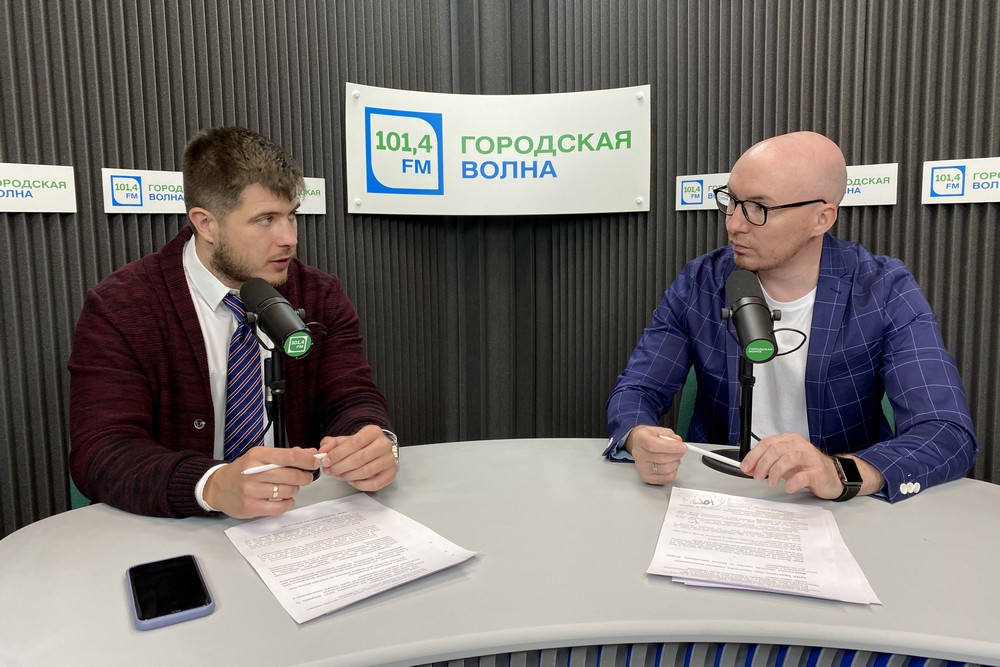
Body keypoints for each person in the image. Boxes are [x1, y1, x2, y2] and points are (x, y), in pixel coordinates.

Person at [604, 131, 977, 502]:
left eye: (758, 208)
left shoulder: (882, 289)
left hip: (834, 508)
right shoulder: (701, 280)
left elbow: (946, 432)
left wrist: (840, 472)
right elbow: (637, 389)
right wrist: (637, 435)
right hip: (718, 494)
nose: (734, 224)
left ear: (821, 218)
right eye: (732, 201)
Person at [69, 126, 398, 519]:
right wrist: (211, 484)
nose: (289, 238)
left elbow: (350, 396)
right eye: (265, 219)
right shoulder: (122, 305)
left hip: (295, 520)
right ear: (205, 223)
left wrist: (369, 439)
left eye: (291, 216)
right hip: (177, 526)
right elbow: (102, 450)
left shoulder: (319, 294)